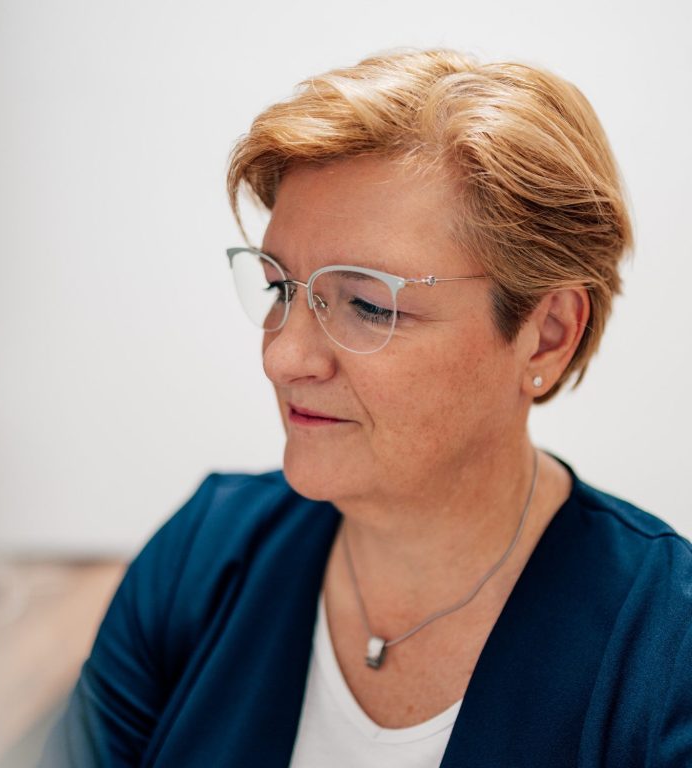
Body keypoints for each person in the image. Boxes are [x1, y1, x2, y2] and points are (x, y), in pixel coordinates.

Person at [39, 49, 692, 767]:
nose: (282, 357)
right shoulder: (203, 557)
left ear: (549, 334)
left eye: (368, 305)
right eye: (279, 289)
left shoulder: (665, 654)